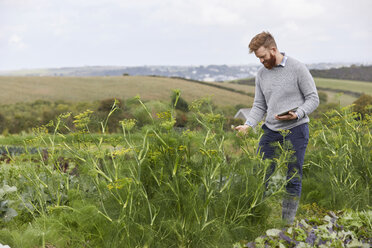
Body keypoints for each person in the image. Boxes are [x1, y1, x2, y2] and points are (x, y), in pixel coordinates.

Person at [235, 31, 319, 224]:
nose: (262, 61)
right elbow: (259, 105)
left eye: (263, 57)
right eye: (258, 58)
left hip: (296, 130)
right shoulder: (261, 74)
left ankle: (286, 225)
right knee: (260, 174)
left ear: (273, 50)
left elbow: (313, 99)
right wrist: (248, 125)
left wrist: (297, 113)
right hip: (271, 131)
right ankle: (256, 221)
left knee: (292, 178)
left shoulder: (297, 68)